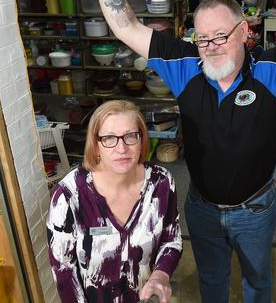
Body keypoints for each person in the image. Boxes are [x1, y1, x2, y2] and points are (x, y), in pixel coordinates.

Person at [86, 0, 276, 302]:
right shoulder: (184, 65)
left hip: (255, 210)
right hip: (202, 209)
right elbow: (125, 26)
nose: (210, 48)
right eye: (201, 38)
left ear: (244, 31)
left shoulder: (273, 70)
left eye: (220, 36)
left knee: (258, 282)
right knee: (211, 282)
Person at [47, 100, 182, 303]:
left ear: (142, 139)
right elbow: (63, 269)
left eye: (130, 136)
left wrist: (161, 274)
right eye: (109, 138)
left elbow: (171, 240)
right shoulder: (69, 195)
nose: (122, 148)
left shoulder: (161, 183)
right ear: (95, 144)